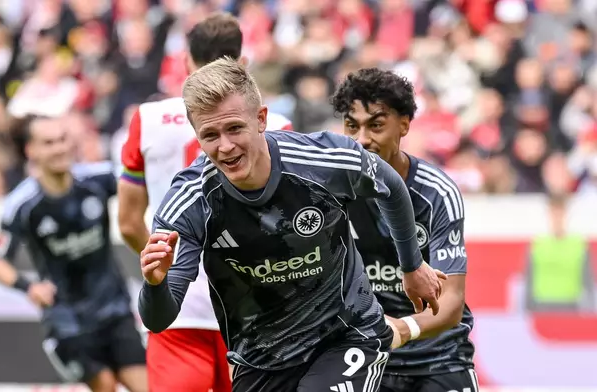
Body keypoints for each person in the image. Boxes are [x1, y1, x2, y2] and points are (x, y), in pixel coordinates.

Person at [137, 57, 445, 392]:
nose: (225, 146)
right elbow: (158, 320)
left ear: (261, 119)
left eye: (235, 128)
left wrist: (412, 266)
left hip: (344, 333)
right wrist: (155, 284)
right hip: (260, 358)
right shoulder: (189, 201)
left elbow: (392, 188)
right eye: (210, 135)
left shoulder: (325, 159)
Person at [117, 12, 291, 392]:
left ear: (185, 62)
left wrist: (169, 268)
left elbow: (129, 223)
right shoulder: (274, 124)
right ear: (243, 65)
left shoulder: (146, 119)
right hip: (255, 308)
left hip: (179, 311)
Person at [331, 68, 477, 392]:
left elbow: (451, 303)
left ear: (405, 124)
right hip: (366, 358)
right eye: (352, 126)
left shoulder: (437, 193)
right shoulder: (330, 191)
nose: (361, 140)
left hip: (439, 357)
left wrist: (402, 328)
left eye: (376, 125)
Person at [0, 116, 147, 392]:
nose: (59, 148)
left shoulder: (98, 178)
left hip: (114, 310)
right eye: (49, 143)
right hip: (67, 322)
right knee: (105, 386)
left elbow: (142, 181)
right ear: (31, 151)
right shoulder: (22, 203)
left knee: (148, 387)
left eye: (62, 139)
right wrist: (30, 287)